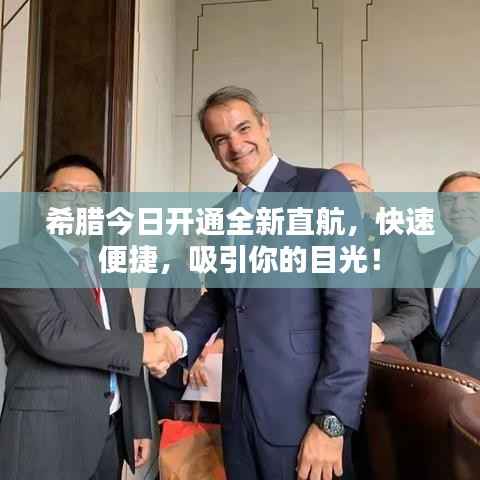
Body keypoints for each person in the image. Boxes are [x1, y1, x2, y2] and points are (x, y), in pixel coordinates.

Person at [154, 86, 372, 480]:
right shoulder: (222, 214)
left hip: (303, 412)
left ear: (265, 126)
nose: (236, 145)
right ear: (213, 150)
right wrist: (178, 343)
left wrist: (332, 420)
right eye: (221, 139)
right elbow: (221, 299)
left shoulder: (322, 188)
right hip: (238, 413)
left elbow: (349, 307)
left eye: (243, 129)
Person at [0, 155, 179, 480]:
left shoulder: (110, 268)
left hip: (110, 432)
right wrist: (145, 346)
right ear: (43, 202)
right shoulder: (15, 261)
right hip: (46, 434)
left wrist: (137, 423)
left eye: (92, 194)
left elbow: (125, 335)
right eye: (68, 192)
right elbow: (51, 335)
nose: (80, 203)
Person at [333, 163, 429, 359]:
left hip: (378, 357)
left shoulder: (396, 240)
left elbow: (416, 310)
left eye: (354, 185)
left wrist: (378, 331)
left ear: (370, 194)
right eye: (336, 185)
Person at [144, 233, 223, 420]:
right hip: (174, 374)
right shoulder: (168, 270)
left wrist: (211, 351)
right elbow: (155, 316)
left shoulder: (222, 277)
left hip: (214, 375)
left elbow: (230, 318)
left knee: (211, 436)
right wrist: (189, 357)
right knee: (176, 434)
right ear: (188, 241)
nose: (205, 243)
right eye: (200, 237)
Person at [416, 171, 480, 379]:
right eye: (448, 200)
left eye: (471, 198)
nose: (458, 207)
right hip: (427, 384)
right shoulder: (424, 262)